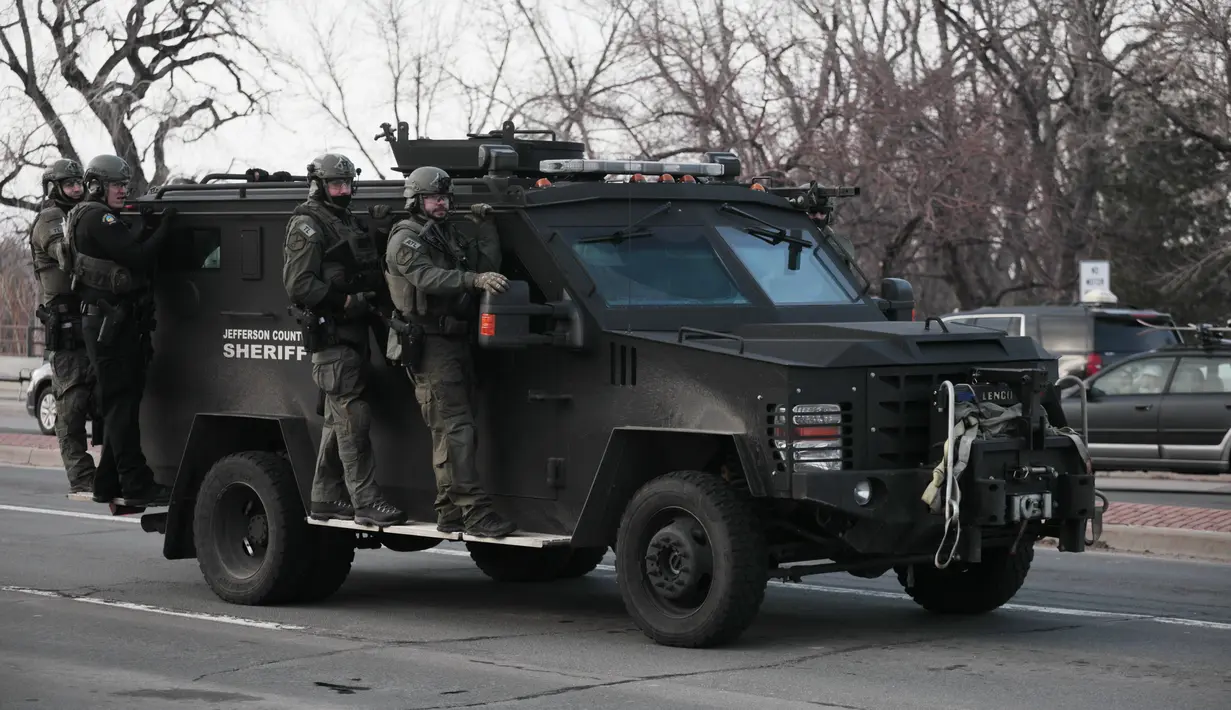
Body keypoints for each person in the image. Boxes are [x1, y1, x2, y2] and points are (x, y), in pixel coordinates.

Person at [383, 166, 517, 538]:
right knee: (456, 428)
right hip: (430, 345)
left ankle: (449, 509)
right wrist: (471, 280)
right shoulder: (406, 238)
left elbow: (484, 267)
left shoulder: (446, 234)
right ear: (415, 200)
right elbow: (426, 277)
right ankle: (472, 510)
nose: (440, 204)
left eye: (443, 197)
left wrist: (486, 229)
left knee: (453, 429)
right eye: (432, 198)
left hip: (454, 342)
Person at [282, 152, 406, 528]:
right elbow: (299, 284)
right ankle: (366, 501)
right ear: (319, 185)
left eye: (348, 184)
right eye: (336, 184)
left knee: (341, 419)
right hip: (333, 333)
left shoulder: (344, 219)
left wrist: (380, 231)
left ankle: (324, 497)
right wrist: (346, 301)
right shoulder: (307, 223)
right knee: (354, 416)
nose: (344, 191)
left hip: (354, 335)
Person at [63, 154, 175, 506]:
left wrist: (144, 228)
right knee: (121, 406)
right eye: (116, 185)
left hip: (105, 322)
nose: (122, 191)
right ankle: (135, 482)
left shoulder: (86, 215)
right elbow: (138, 257)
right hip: (109, 326)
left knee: (119, 404)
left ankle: (106, 482)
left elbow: (124, 248)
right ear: (96, 185)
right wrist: (165, 227)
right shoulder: (99, 216)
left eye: (125, 185)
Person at [28, 158, 95, 493]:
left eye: (78, 183)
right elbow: (66, 255)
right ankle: (82, 477)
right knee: (71, 403)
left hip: (92, 318)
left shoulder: (81, 214)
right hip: (67, 324)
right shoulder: (51, 219)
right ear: (55, 188)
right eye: (69, 184)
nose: (76, 189)